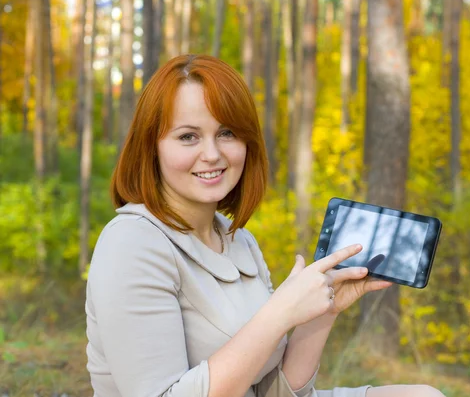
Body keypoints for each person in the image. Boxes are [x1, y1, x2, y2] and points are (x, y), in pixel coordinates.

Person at [85, 55, 446, 397]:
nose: (212, 154)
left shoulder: (238, 240)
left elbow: (278, 392)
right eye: (188, 136)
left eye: (226, 133)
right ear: (151, 149)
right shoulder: (131, 243)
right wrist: (279, 313)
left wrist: (323, 311)